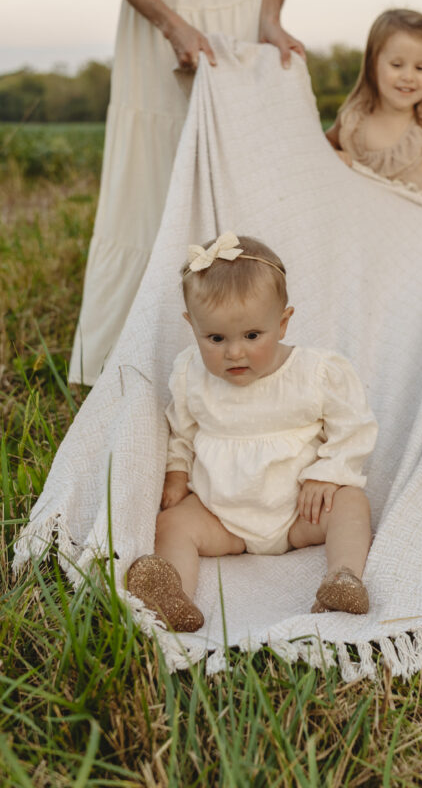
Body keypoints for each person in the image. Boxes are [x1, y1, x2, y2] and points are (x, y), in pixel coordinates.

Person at [70, 0, 304, 386]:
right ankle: (117, 373)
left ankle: (233, 362)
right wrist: (173, 26)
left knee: (233, 202)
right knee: (151, 202)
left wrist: (272, 21)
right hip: (162, 43)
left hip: (234, 54)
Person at [126, 232, 376, 632]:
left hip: (299, 512)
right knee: (172, 524)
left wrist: (327, 474)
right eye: (216, 338)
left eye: (252, 336)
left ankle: (343, 577)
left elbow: (355, 428)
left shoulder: (315, 373)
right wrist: (176, 473)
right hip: (221, 516)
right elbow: (182, 431)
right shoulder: (192, 375)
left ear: (282, 322)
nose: (234, 352)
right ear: (192, 326)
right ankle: (175, 594)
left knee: (351, 503)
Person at [325, 9, 422, 208]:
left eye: (420, 68)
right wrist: (334, 155)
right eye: (397, 65)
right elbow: (325, 143)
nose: (408, 76)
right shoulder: (354, 119)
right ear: (374, 64)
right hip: (359, 218)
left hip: (411, 222)